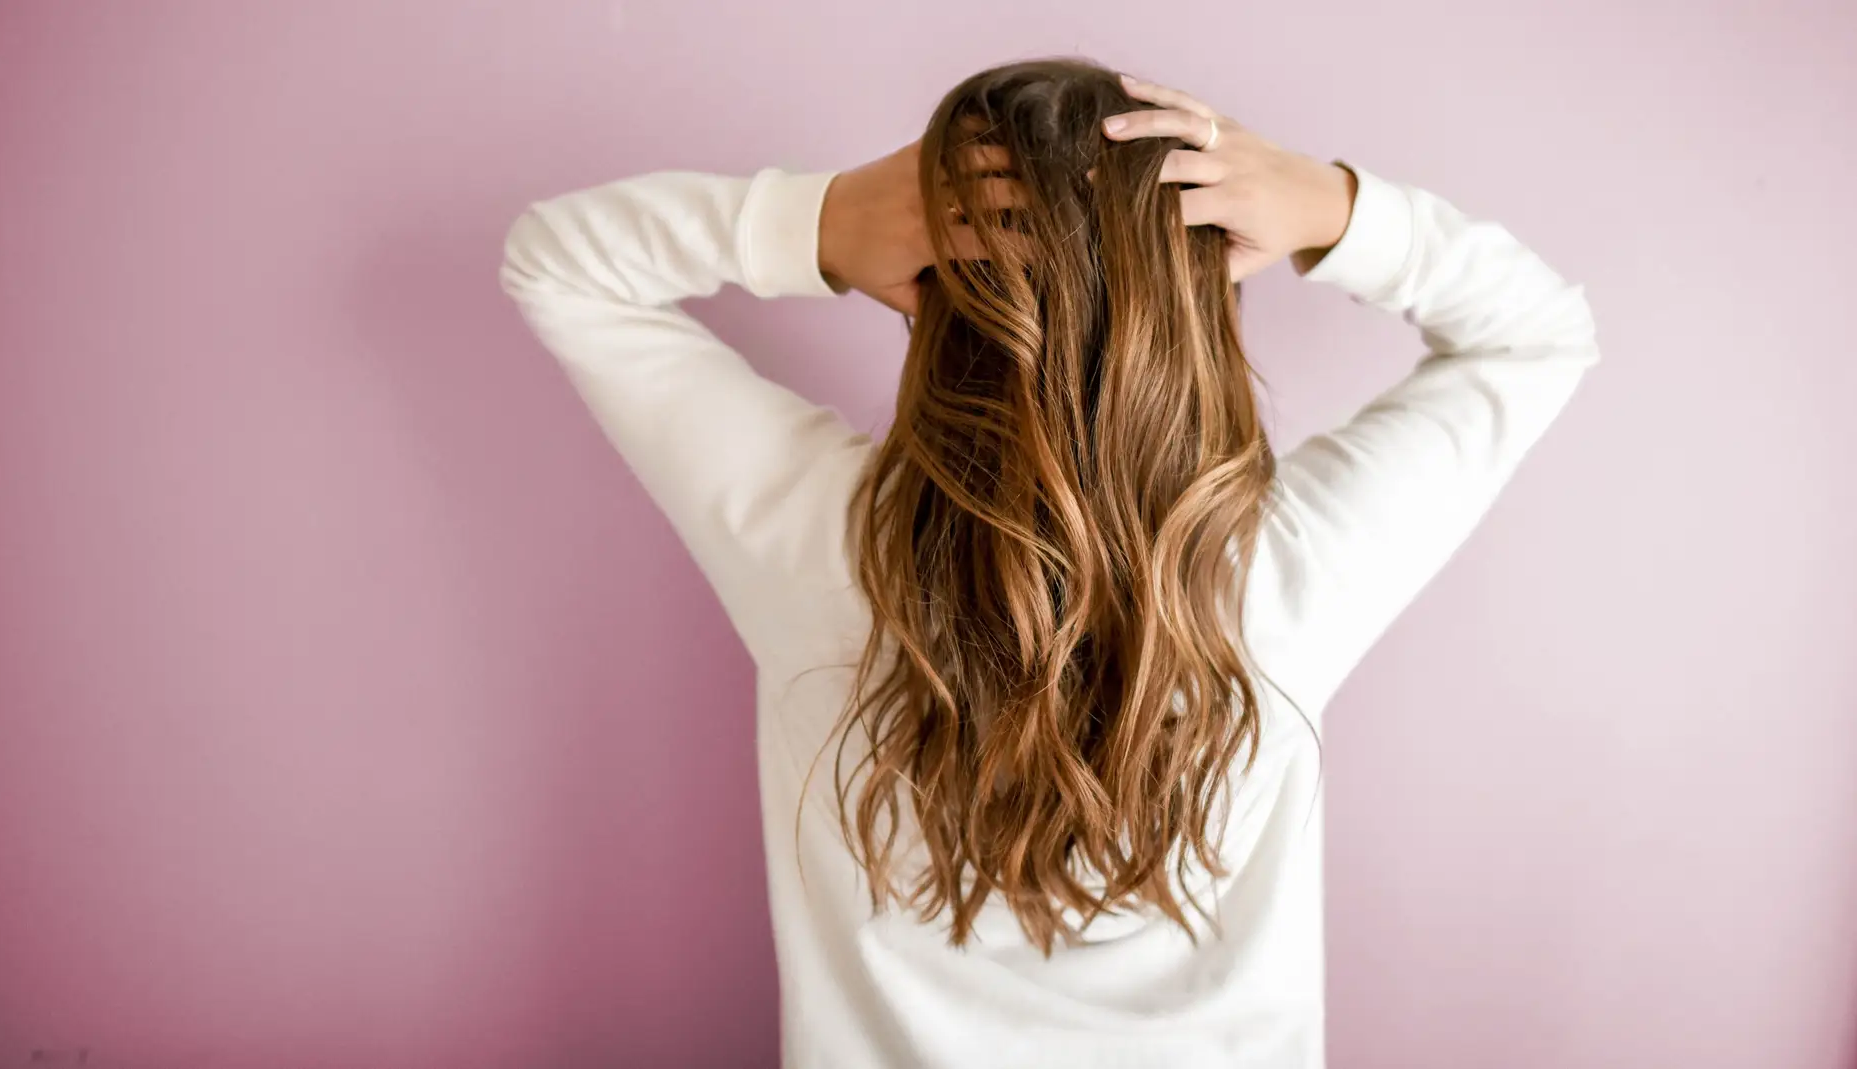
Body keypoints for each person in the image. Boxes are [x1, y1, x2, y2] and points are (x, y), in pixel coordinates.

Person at [501, 58, 1597, 1069]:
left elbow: (558, 262)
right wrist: (1330, 208)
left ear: (929, 288)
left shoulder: (823, 544)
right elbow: (1537, 333)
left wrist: (822, 221)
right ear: (1207, 299)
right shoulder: (1281, 573)